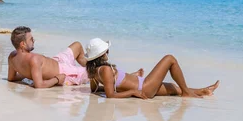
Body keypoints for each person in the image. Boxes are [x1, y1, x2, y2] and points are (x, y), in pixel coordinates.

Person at [85, 38, 219, 99]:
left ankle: (203, 91)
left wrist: (132, 77)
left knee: (173, 88)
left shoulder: (94, 72)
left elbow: (96, 89)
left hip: (143, 85)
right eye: (106, 51)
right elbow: (110, 95)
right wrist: (132, 92)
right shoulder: (105, 70)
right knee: (169, 58)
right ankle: (187, 93)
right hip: (144, 88)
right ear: (101, 54)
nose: (108, 53)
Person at [7, 26, 89, 88]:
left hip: (57, 61)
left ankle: (87, 66)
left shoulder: (12, 57)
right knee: (93, 71)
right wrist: (57, 79)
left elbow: (11, 78)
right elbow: (39, 85)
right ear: (23, 44)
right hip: (65, 73)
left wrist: (29, 73)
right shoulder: (34, 60)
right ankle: (91, 70)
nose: (34, 40)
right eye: (31, 39)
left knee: (77, 45)